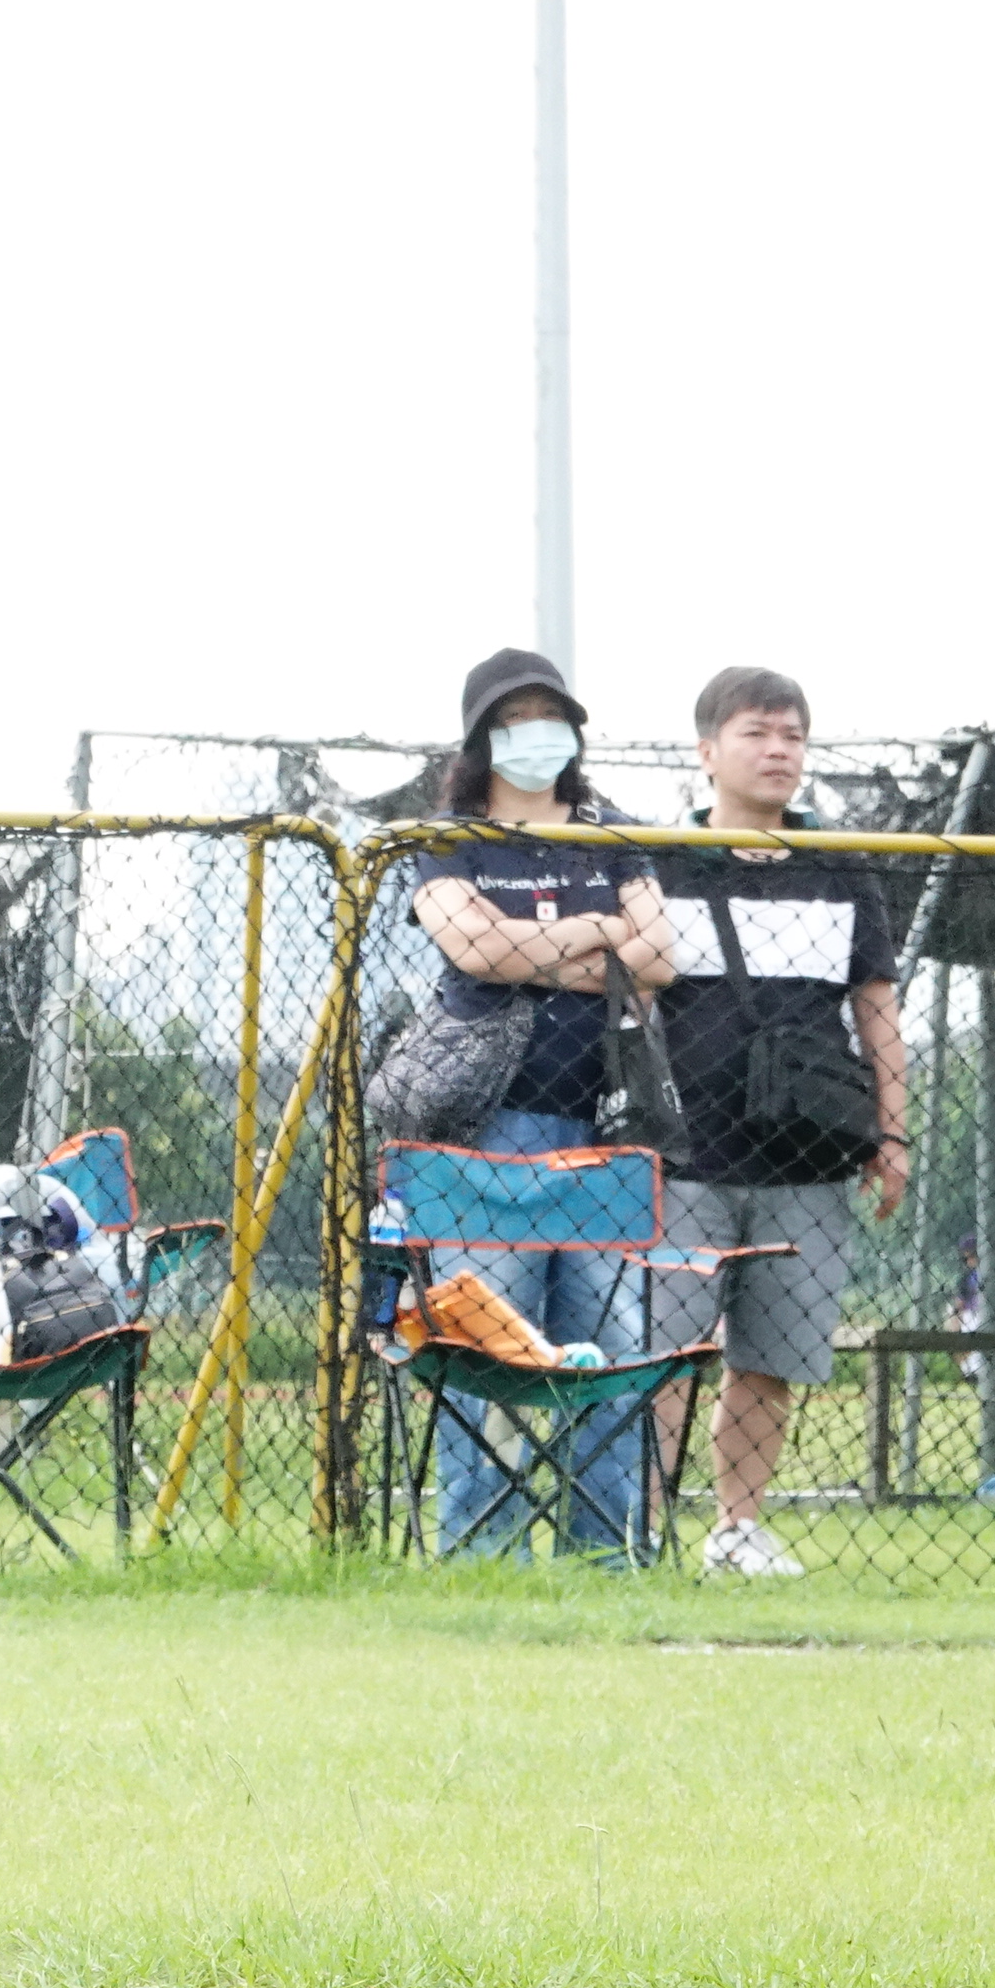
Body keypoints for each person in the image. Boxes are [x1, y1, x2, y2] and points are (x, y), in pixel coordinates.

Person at [406, 647, 675, 1564]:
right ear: (483, 737)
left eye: (550, 715)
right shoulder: (451, 838)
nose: (536, 734)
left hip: (603, 1124)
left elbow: (661, 958)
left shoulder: (613, 833)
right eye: (514, 718)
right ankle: (485, 1555)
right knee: (489, 1349)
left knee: (609, 1350)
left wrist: (535, 948)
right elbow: (474, 950)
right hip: (488, 1130)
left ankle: (603, 1556)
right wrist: (599, 933)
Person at [642, 667, 910, 1575]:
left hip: (808, 1155)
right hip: (681, 1157)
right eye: (757, 733)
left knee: (773, 1358)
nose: (778, 751)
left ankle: (737, 1528)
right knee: (663, 1357)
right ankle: (639, 1526)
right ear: (707, 750)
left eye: (793, 735)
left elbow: (877, 1011)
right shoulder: (658, 860)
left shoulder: (843, 866)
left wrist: (893, 1134)